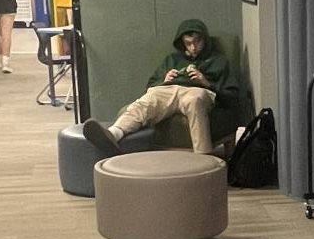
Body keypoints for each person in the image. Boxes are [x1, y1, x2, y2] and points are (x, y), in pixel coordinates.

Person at [82, 18, 238, 158]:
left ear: (205, 40)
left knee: (194, 101)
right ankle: (113, 135)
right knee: (148, 99)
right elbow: (151, 84)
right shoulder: (172, 59)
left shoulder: (219, 61)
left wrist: (205, 81)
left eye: (198, 41)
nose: (194, 47)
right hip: (168, 91)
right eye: (188, 42)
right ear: (182, 42)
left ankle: (204, 157)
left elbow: (231, 92)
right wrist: (164, 79)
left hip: (197, 92)